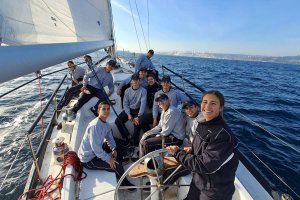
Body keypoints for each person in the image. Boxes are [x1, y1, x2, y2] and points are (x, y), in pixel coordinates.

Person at [166, 90, 239, 200]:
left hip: (214, 191)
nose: (207, 106)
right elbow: (203, 147)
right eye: (205, 102)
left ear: (221, 108)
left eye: (213, 103)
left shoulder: (223, 136)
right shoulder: (203, 123)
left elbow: (205, 165)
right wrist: (192, 150)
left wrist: (177, 153)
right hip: (198, 181)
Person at [78, 101, 135, 191]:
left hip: (96, 151)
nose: (106, 111)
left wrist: (114, 149)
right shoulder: (95, 126)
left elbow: (110, 138)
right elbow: (96, 148)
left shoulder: (106, 124)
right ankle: (124, 183)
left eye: (108, 109)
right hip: (88, 159)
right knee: (118, 165)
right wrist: (108, 159)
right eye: (103, 109)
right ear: (98, 111)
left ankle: (118, 159)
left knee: (117, 147)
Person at [115, 74, 147, 146]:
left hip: (138, 110)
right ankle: (127, 137)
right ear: (131, 81)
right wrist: (128, 113)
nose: (135, 82)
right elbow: (125, 104)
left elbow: (143, 104)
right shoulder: (127, 91)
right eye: (134, 80)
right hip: (129, 109)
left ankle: (135, 143)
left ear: (139, 81)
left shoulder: (143, 91)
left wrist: (138, 116)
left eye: (137, 80)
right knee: (117, 121)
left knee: (137, 124)